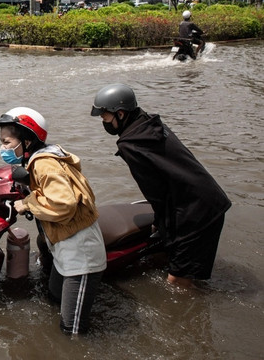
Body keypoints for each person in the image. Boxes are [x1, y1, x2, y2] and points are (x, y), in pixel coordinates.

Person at [90, 84, 231, 287]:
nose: (104, 123)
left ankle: (187, 315)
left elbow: (154, 190)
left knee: (177, 282)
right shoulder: (148, 122)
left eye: (105, 118)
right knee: (168, 259)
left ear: (120, 114)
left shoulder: (130, 144)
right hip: (209, 197)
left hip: (196, 211)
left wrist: (160, 220)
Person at [0, 107, 107, 335]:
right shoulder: (39, 158)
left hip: (80, 252)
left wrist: (27, 204)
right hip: (63, 244)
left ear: (26, 139)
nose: (3, 148)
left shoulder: (45, 163)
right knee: (53, 296)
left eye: (7, 142)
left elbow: (63, 203)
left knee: (72, 330)